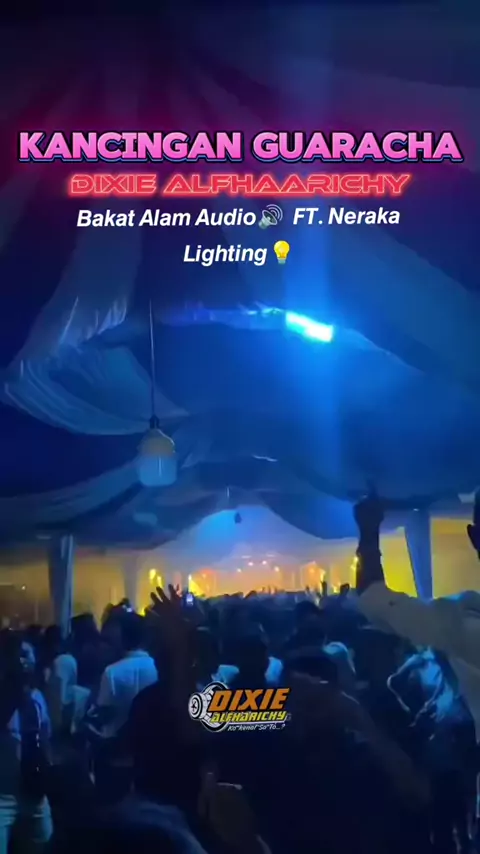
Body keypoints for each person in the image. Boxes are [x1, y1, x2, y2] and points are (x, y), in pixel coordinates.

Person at [355, 492, 480, 743]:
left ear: (474, 537)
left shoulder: (460, 626)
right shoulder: (463, 616)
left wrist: (369, 531)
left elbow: (373, 595)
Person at [0, 631, 52, 854]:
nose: (25, 660)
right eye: (20, 654)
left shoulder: (37, 697)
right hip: (3, 795)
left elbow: (45, 736)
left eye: (29, 654)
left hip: (34, 792)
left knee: (42, 843)